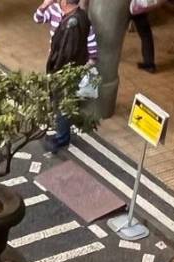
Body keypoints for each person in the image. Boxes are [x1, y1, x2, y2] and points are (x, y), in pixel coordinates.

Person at [45, 0, 91, 154]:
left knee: (62, 103)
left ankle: (62, 137)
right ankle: (62, 133)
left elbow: (66, 52)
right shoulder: (82, 16)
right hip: (74, 68)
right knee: (65, 102)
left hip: (65, 71)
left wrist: (55, 68)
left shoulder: (72, 23)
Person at [34, 0, 98, 63]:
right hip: (55, 55)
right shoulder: (54, 9)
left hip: (73, 60)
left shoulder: (80, 19)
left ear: (64, 2)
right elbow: (38, 19)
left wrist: (90, 61)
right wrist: (45, 5)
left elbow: (91, 43)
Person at [129, 2, 156, 72]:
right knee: (146, 34)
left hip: (123, 5)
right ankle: (149, 64)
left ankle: (108, 61)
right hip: (137, 7)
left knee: (116, 33)